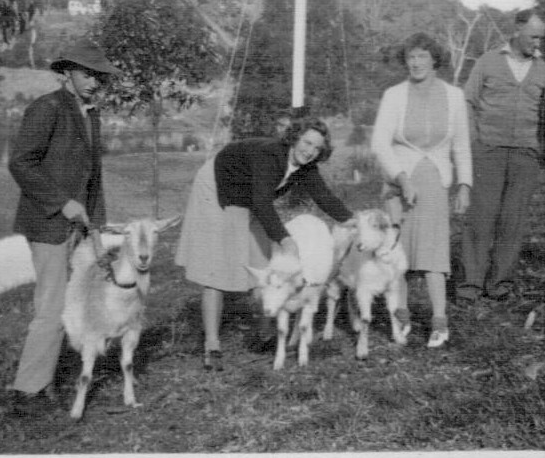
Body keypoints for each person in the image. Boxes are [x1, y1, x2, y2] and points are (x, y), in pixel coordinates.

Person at [175, 117, 353, 370]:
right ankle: (212, 346)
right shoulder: (269, 156)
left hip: (249, 196)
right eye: (306, 143)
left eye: (317, 148)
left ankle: (265, 333)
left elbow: (324, 197)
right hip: (217, 189)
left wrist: (353, 221)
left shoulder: (306, 167)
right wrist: (285, 239)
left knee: (262, 261)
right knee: (215, 267)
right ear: (294, 138)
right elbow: (262, 204)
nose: (310, 151)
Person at [8, 39, 121, 416]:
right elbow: (22, 164)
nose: (94, 82)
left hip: (78, 225)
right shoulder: (47, 108)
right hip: (47, 222)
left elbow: (91, 176)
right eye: (86, 73)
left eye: (99, 76)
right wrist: (63, 203)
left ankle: (45, 380)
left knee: (73, 301)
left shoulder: (90, 113)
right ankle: (28, 391)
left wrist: (95, 223)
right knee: (52, 306)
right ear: (67, 73)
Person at [458, 9, 545, 304]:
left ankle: (500, 284)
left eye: (541, 38)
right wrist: (473, 141)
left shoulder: (543, 70)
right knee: (481, 220)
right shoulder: (488, 62)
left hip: (525, 154)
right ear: (516, 31)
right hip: (487, 151)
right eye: (532, 36)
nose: (537, 43)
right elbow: (467, 102)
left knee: (512, 221)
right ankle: (470, 287)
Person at [371, 32, 471, 348]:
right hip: (398, 180)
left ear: (435, 60)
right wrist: (401, 179)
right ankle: (400, 314)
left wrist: (465, 184)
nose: (415, 63)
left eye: (422, 57)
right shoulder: (394, 95)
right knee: (396, 251)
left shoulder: (454, 96)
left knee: (433, 253)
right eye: (411, 57)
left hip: (436, 181)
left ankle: (439, 321)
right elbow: (379, 144)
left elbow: (461, 145)